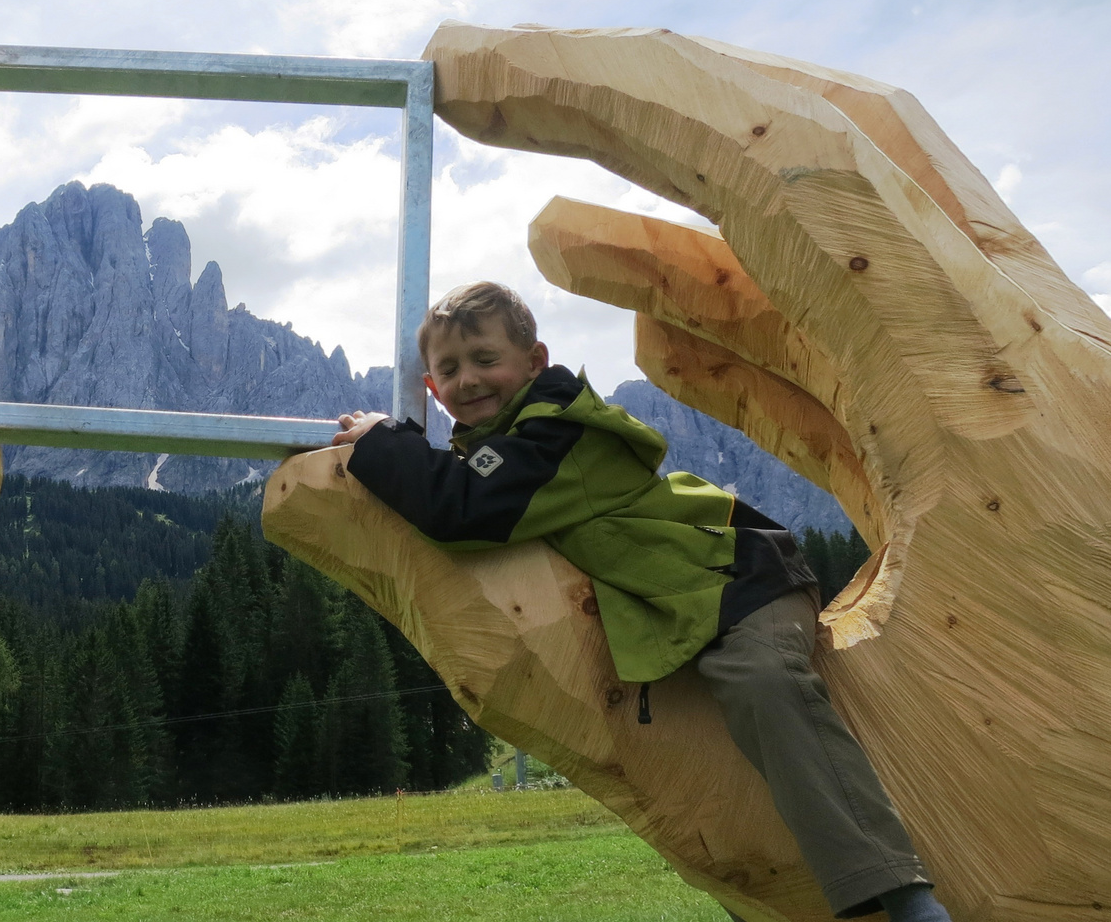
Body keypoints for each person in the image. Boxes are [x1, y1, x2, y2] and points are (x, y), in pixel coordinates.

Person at [330, 281, 950, 922]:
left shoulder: (555, 435)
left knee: (763, 679)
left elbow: (457, 507)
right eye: (450, 369)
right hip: (682, 614)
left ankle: (902, 895)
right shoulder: (504, 451)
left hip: (739, 580)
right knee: (690, 753)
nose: (469, 379)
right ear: (432, 388)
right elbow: (463, 491)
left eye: (486, 359)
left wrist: (382, 442)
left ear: (535, 363)